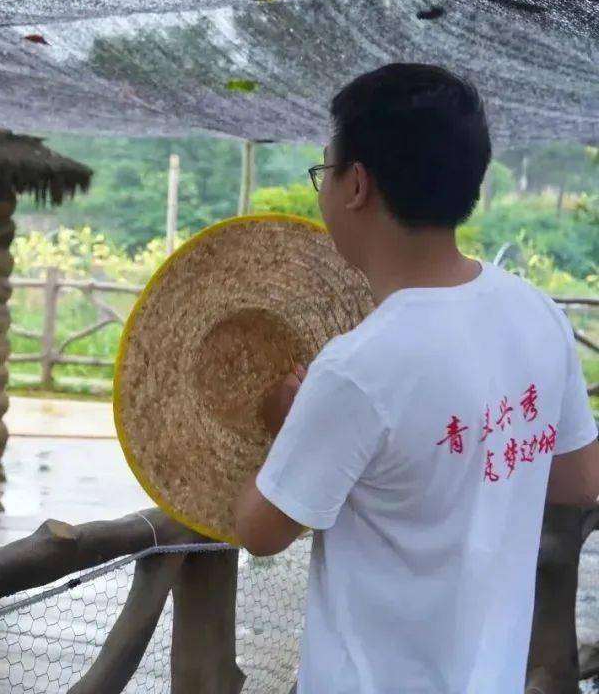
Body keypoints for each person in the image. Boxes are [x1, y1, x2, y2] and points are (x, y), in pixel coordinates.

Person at [231, 63, 599, 693]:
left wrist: (284, 427)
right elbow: (578, 475)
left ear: (356, 186)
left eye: (324, 171)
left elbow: (261, 531)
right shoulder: (535, 312)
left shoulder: (356, 367)